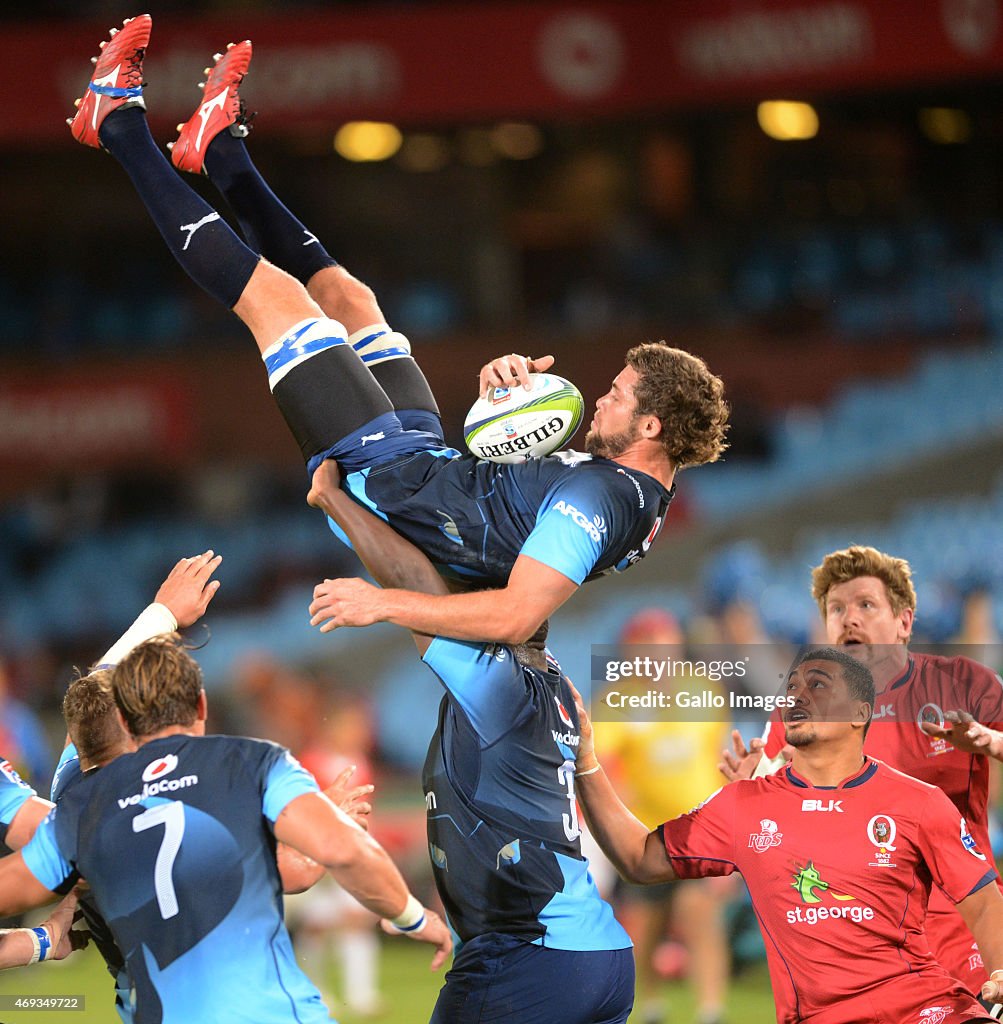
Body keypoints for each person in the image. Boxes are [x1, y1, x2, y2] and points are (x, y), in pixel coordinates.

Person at [68, 18, 729, 645]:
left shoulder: (610, 499)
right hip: (430, 466)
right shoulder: (624, 491)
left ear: (650, 428)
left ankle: (118, 123)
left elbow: (516, 612)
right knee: (348, 298)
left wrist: (381, 603)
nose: (604, 397)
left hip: (388, 485)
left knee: (278, 297)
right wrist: (501, 394)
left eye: (619, 394)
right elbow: (508, 508)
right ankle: (217, 151)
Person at [308, 460, 635, 1023]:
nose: (446, 598)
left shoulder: (497, 682)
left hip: (528, 955)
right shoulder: (548, 682)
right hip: (592, 956)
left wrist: (335, 500)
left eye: (459, 595)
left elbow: (411, 580)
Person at [0, 634, 450, 1024]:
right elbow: (342, 852)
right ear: (201, 705)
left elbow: (14, 885)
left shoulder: (84, 805)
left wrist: (39, 942)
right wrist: (411, 916)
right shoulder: (251, 761)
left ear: (126, 721)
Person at [575, 646, 1003, 1024]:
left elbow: (983, 903)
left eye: (817, 684)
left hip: (922, 1006)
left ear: (859, 713)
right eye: (791, 687)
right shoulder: (743, 805)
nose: (797, 695)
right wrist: (585, 762)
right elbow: (638, 858)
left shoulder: (919, 802)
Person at [723, 545, 1003, 1000]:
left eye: (866, 605)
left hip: (960, 922)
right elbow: (773, 833)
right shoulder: (797, 710)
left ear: (904, 623)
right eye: (836, 609)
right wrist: (749, 796)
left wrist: (993, 743)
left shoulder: (963, 684)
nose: (848, 619)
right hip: (856, 940)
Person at [56, 668, 372, 1024]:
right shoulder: (184, 788)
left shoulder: (67, 796)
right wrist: (329, 824)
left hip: (143, 997)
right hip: (223, 992)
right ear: (130, 725)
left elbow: (84, 718)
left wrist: (40, 937)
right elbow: (293, 873)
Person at [593, 609, 731, 1024]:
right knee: (647, 924)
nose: (656, 655)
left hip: (703, 830)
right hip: (647, 835)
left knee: (699, 912)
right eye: (646, 646)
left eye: (663, 644)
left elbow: (721, 760)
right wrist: (617, 799)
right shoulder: (616, 702)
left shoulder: (705, 693)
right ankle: (649, 1004)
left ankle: (710, 1009)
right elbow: (598, 763)